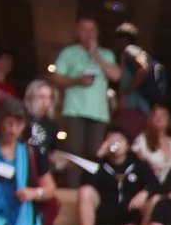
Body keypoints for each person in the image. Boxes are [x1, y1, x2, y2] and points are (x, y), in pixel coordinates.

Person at [48, 17, 119, 184]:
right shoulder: (69, 52)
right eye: (84, 29)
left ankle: (90, 189)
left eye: (92, 29)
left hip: (99, 113)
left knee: (95, 153)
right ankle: (73, 189)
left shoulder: (106, 54)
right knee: (74, 152)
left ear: (97, 33)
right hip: (74, 110)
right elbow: (56, 77)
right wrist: (77, 81)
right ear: (77, 32)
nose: (88, 33)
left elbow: (116, 75)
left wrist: (95, 55)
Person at [132, 105, 171, 185]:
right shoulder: (142, 140)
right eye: (156, 115)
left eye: (162, 116)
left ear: (168, 120)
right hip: (149, 185)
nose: (159, 118)